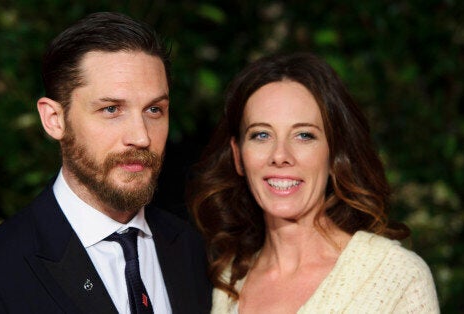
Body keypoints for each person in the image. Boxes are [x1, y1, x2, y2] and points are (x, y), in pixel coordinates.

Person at [0, 12, 212, 314]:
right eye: (112, 109)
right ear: (54, 119)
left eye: (154, 109)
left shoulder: (193, 249)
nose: (141, 137)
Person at [187, 52, 439, 313]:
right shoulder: (225, 284)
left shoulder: (396, 278)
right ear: (238, 156)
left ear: (334, 156)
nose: (280, 156)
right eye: (261, 135)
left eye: (304, 135)